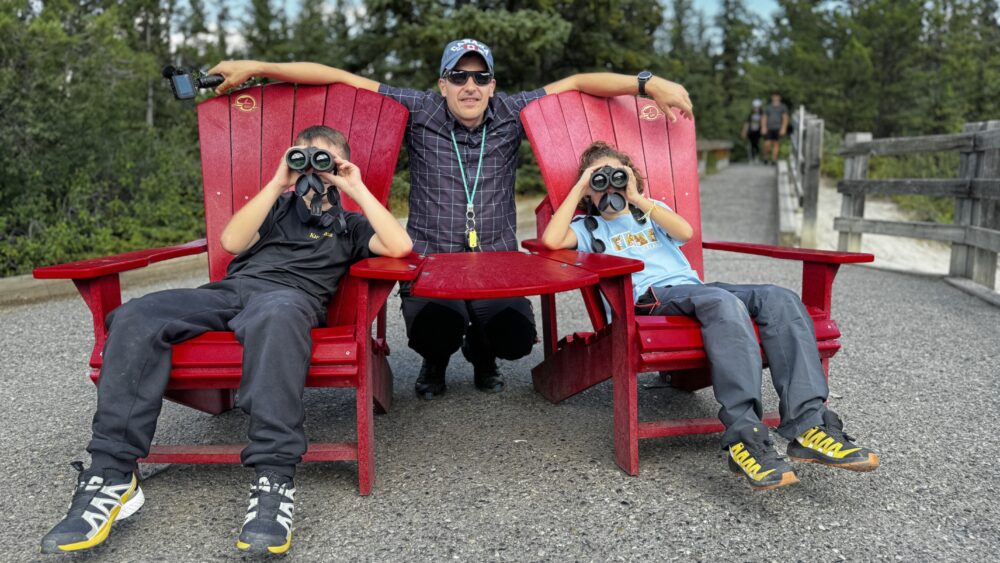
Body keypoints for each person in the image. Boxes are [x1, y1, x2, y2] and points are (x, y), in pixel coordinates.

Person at [209, 39, 693, 400]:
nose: (469, 86)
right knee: (432, 329)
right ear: (442, 84)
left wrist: (649, 83)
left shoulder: (510, 112)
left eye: (480, 77)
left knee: (515, 338)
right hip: (432, 260)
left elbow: (578, 83)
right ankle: (435, 362)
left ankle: (482, 356)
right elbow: (339, 77)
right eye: (458, 77)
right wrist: (258, 66)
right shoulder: (419, 109)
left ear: (493, 85)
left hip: (497, 262)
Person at [39, 126, 413, 555]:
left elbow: (399, 245)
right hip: (231, 294)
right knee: (136, 315)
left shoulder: (349, 226)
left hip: (289, 303)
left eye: (324, 161)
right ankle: (112, 474)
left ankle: (273, 478)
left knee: (276, 314)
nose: (313, 168)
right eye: (303, 157)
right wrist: (278, 183)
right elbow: (232, 241)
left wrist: (353, 185)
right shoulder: (275, 209)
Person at [540, 141, 880, 491]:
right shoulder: (588, 228)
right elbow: (551, 240)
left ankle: (810, 427)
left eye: (617, 177)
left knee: (780, 299)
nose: (609, 187)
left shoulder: (649, 212)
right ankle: (745, 439)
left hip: (696, 291)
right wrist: (582, 184)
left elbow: (684, 233)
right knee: (721, 302)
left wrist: (638, 197)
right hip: (649, 300)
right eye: (600, 182)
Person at [762, 92, 789, 165]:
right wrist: (763, 127)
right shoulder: (768, 107)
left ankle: (774, 159)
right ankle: (766, 157)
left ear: (780, 98)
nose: (775, 98)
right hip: (769, 128)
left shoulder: (783, 107)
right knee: (767, 144)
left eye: (777, 96)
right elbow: (764, 117)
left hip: (778, 128)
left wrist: (783, 128)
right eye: (774, 96)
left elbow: (785, 118)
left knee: (776, 144)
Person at [740, 98, 763, 163]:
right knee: (751, 145)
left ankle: (757, 157)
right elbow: (746, 123)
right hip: (751, 131)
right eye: (755, 107)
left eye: (757, 107)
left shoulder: (762, 114)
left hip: (758, 132)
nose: (756, 108)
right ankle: (752, 158)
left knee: (757, 144)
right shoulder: (750, 114)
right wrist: (744, 131)